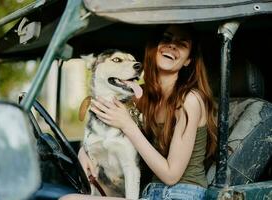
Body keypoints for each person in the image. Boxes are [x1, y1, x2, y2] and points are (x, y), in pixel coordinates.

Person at [60, 23, 217, 200]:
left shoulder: (190, 100)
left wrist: (128, 125)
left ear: (188, 60)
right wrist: (85, 151)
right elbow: (102, 121)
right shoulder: (140, 95)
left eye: (182, 43)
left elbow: (171, 175)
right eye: (166, 39)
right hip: (151, 192)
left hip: (183, 193)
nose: (172, 45)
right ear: (154, 48)